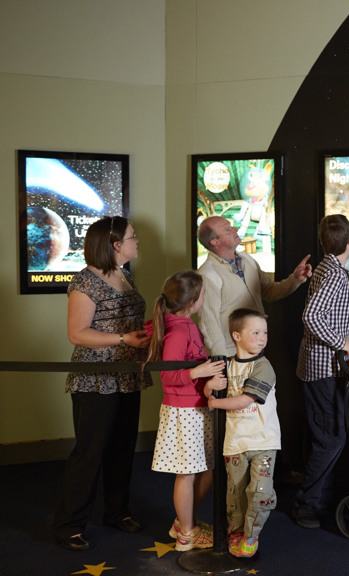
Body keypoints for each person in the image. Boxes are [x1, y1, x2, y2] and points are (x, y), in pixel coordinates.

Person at [53, 216, 153, 551]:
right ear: (114, 245)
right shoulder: (86, 281)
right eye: (132, 237)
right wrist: (125, 337)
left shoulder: (124, 274)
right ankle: (70, 526)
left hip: (127, 375)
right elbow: (77, 333)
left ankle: (117, 512)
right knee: (89, 453)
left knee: (122, 449)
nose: (137, 241)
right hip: (95, 380)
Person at [292, 214, 349, 529]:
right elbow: (311, 315)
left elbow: (332, 313)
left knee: (330, 433)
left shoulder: (328, 268)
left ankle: (320, 496)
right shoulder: (335, 274)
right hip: (324, 368)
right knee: (331, 437)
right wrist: (342, 342)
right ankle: (307, 504)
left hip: (323, 366)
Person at [144, 270, 228, 551]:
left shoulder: (185, 324)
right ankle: (186, 535)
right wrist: (199, 371)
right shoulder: (179, 330)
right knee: (188, 473)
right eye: (204, 293)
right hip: (183, 412)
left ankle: (185, 522)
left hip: (196, 407)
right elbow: (168, 376)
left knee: (206, 468)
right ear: (193, 300)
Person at [207, 308, 280, 558]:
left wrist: (215, 403)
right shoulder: (226, 365)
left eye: (265, 333)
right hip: (235, 442)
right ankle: (236, 531)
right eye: (256, 332)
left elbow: (246, 399)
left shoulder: (263, 366)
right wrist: (209, 387)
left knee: (260, 492)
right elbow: (209, 388)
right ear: (236, 336)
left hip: (263, 441)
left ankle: (251, 534)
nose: (262, 338)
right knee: (235, 494)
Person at [196, 215, 312, 356]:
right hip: (233, 356)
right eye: (227, 229)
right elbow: (209, 326)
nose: (235, 229)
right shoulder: (207, 275)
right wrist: (222, 364)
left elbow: (269, 291)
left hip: (257, 350)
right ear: (215, 242)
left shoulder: (248, 260)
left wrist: (295, 279)